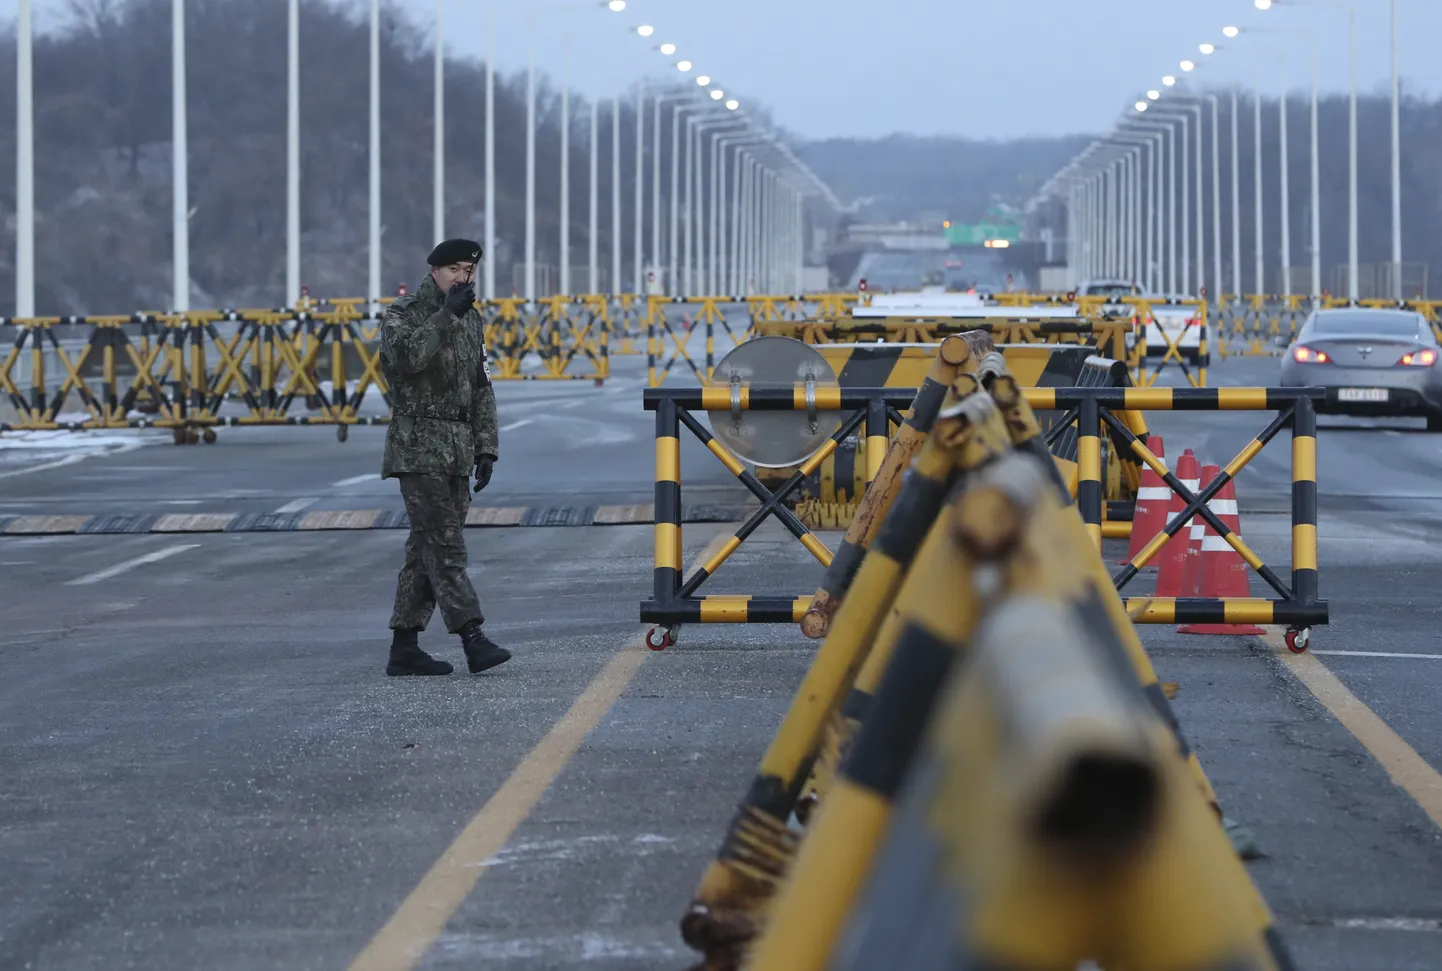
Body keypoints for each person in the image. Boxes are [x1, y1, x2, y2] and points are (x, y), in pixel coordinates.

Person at [378, 238, 511, 677]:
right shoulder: (404, 313)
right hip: (418, 445)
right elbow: (408, 359)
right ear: (434, 270)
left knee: (425, 550)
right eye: (453, 269)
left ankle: (404, 645)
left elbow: (481, 387)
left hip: (457, 448)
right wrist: (446, 315)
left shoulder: (472, 321)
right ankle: (473, 637)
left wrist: (487, 447)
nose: (462, 278)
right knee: (446, 547)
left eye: (469, 271)